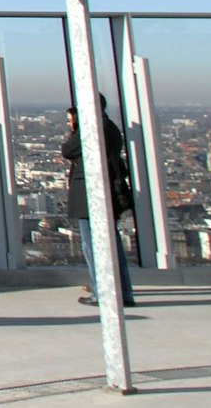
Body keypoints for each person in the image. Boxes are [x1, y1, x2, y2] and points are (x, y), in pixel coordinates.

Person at [64, 96, 136, 308]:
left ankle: (102, 292)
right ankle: (123, 292)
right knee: (111, 244)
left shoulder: (93, 128)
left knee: (92, 244)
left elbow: (68, 150)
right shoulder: (111, 128)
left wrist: (76, 130)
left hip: (91, 191)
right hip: (109, 189)